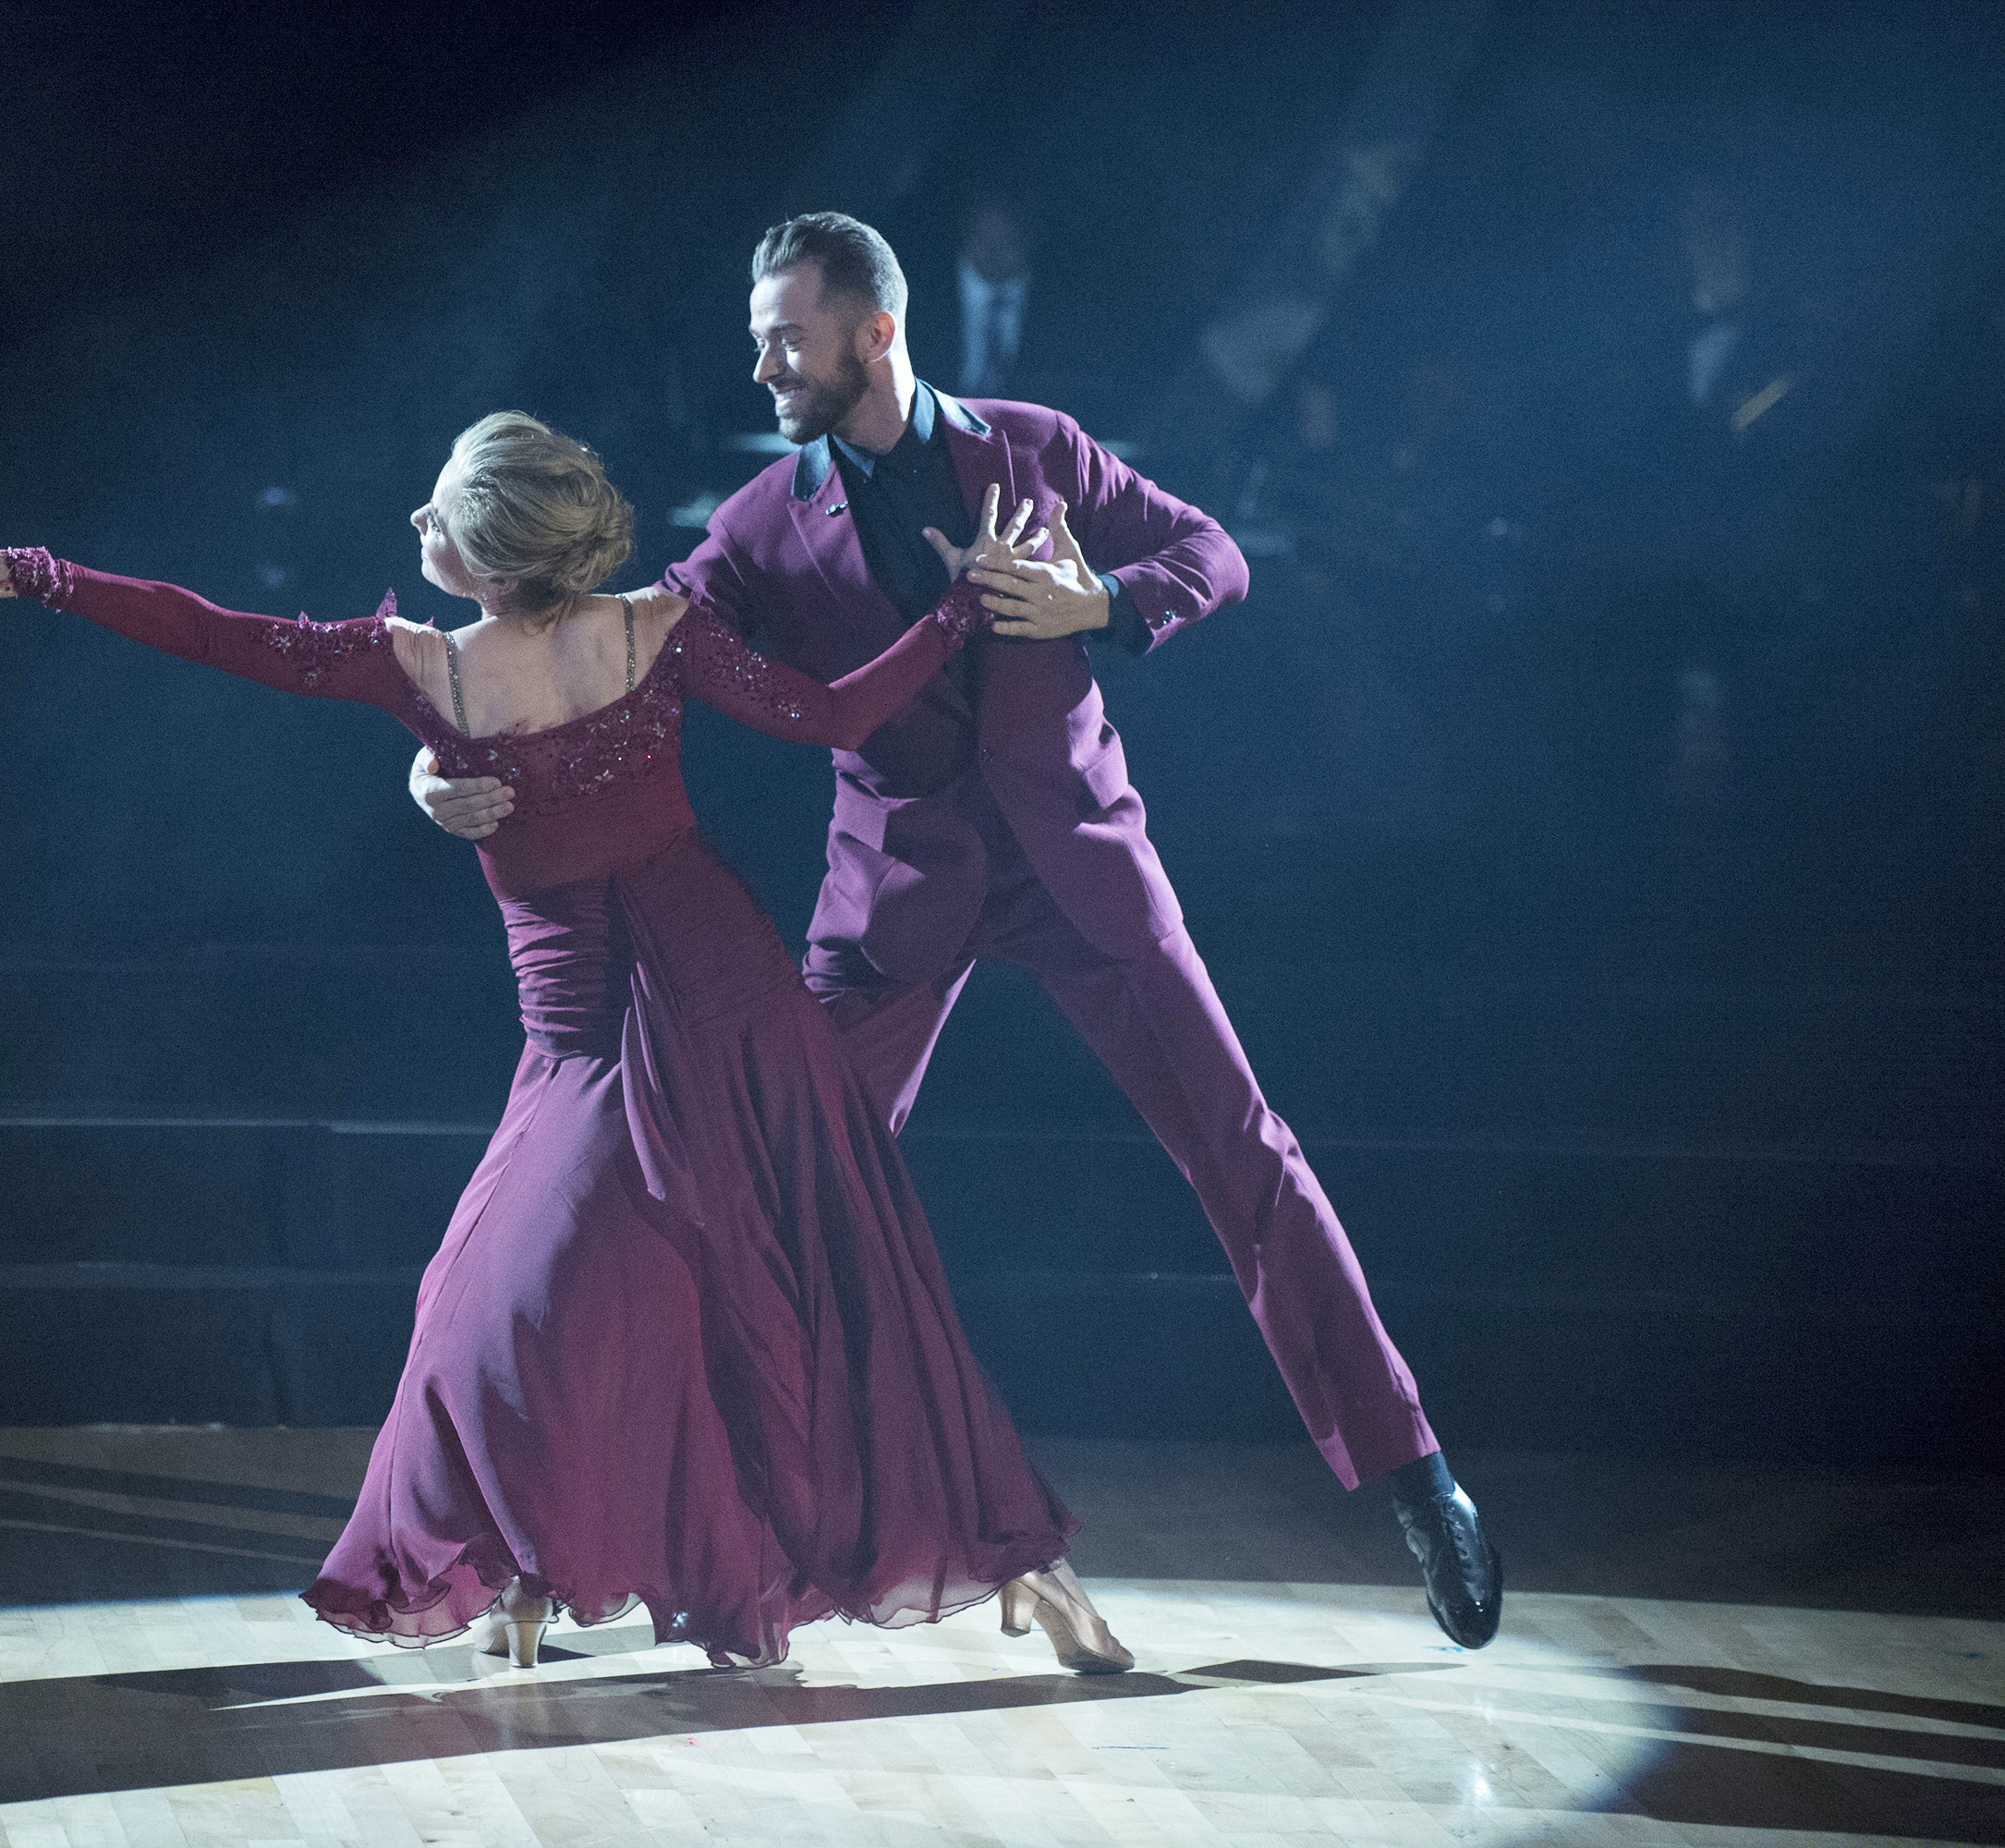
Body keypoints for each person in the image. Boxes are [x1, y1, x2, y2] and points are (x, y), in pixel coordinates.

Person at [0, 411, 1133, 1674]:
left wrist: (963, 612)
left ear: (487, 552)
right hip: (599, 1017)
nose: (417, 524)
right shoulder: (486, 655)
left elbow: (825, 716)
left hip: (707, 994)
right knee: (542, 1296)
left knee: (795, 1276)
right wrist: (38, 574)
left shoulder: (531, 647)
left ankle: (1008, 1558)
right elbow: (825, 713)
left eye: (437, 510)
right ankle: (567, 1564)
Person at [412, 214, 1503, 1649]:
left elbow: (1212, 553)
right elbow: (611, 651)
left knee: (1246, 1153)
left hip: (1087, 872)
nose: (761, 364)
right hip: (893, 904)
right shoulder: (758, 524)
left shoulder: (1035, 446)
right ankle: (669, 1524)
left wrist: (1098, 599)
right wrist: (446, 755)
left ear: (873, 331)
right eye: (758, 337)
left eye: (785, 335)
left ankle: (1419, 1478)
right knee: (748, 1195)